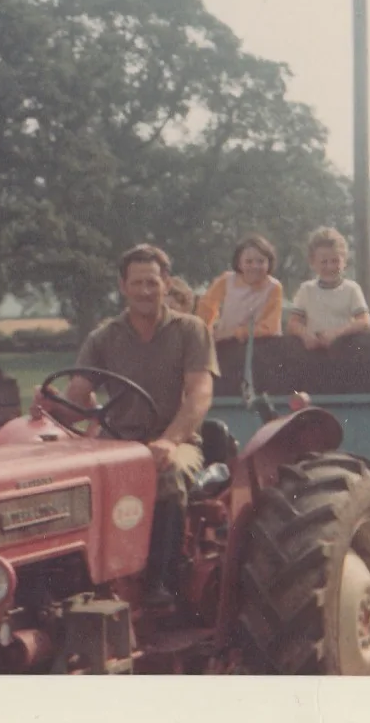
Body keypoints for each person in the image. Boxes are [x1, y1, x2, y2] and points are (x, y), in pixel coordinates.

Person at [55, 244, 217, 608]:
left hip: (175, 440)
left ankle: (162, 584)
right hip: (116, 443)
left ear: (167, 284)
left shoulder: (189, 330)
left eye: (153, 282)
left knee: (169, 474)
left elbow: (199, 395)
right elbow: (78, 394)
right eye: (138, 283)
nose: (146, 291)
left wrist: (170, 441)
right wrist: (49, 406)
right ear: (123, 286)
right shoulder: (104, 337)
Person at [287, 227, 370, 349]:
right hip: (314, 352)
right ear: (312, 262)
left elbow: (365, 321)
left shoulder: (351, 289)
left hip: (345, 350)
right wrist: (305, 335)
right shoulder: (306, 289)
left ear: (344, 261)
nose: (330, 267)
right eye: (324, 262)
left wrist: (336, 333)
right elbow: (293, 323)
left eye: (335, 261)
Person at [194, 233, 284, 344]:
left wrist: (236, 332)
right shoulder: (226, 280)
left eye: (260, 261)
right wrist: (206, 332)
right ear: (239, 263)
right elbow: (206, 307)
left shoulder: (274, 287)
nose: (255, 266)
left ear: (269, 263)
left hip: (260, 344)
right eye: (249, 261)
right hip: (226, 342)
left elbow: (270, 326)